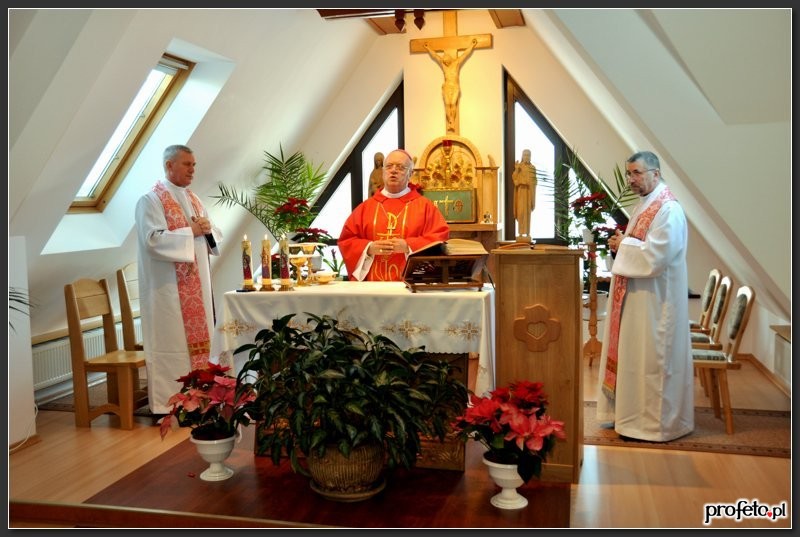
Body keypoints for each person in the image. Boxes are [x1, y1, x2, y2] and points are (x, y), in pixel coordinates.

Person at [595, 150, 693, 442]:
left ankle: (653, 425)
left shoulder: (668, 210)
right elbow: (638, 245)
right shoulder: (645, 205)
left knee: (653, 365)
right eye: (629, 174)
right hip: (638, 301)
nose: (631, 180)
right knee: (635, 361)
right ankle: (629, 418)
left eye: (636, 173)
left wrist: (623, 245)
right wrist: (622, 244)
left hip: (657, 303)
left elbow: (656, 256)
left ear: (656, 173)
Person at [135, 144, 222, 415]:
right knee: (172, 345)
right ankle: (170, 403)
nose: (192, 170)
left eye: (194, 165)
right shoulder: (150, 200)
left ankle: (202, 399)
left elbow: (212, 235)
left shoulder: (194, 199)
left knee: (200, 346)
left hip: (196, 290)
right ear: (169, 165)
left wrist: (207, 229)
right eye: (187, 164)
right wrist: (191, 231)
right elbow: (152, 240)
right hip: (168, 293)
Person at [338, 149, 450, 281]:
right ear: (383, 172)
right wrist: (368, 248)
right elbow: (347, 241)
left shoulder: (425, 207)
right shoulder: (365, 208)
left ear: (410, 174)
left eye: (400, 167)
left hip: (411, 286)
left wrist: (408, 246)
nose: (393, 171)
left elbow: (438, 239)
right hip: (372, 286)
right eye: (389, 166)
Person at [424, 39, 478, 133]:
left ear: (449, 59)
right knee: (447, 104)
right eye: (444, 62)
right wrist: (428, 48)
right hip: (446, 87)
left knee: (453, 104)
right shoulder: (444, 66)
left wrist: (472, 45)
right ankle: (451, 122)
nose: (445, 63)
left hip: (455, 87)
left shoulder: (456, 63)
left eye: (446, 61)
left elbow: (465, 54)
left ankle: (452, 121)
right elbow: (435, 56)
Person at [512, 149, 536, 238]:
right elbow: (514, 178)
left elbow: (534, 181)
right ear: (522, 156)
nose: (526, 157)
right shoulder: (519, 166)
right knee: (521, 212)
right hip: (521, 192)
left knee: (527, 213)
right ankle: (521, 233)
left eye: (528, 155)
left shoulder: (532, 168)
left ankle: (528, 233)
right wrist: (516, 170)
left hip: (529, 192)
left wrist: (530, 183)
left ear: (530, 157)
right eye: (525, 155)